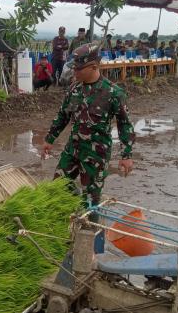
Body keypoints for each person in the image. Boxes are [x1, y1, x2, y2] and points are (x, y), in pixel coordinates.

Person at [41, 44, 135, 217]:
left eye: (79, 69)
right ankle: (65, 219)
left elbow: (125, 124)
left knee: (91, 202)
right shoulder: (74, 89)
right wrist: (49, 139)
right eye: (74, 68)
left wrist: (126, 155)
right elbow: (63, 116)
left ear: (94, 66)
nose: (75, 73)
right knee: (57, 187)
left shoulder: (113, 92)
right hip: (73, 150)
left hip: (96, 156)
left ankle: (90, 234)